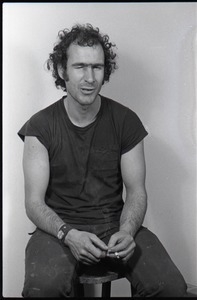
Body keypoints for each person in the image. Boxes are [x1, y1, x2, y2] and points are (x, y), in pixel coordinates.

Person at [18, 23, 191, 298]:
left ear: (105, 70)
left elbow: (136, 191)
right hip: (58, 230)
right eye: (80, 66)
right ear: (62, 70)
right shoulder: (40, 126)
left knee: (170, 289)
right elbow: (33, 202)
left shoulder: (126, 121)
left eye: (97, 67)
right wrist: (68, 234)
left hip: (114, 225)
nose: (90, 77)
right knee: (43, 291)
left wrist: (128, 229)